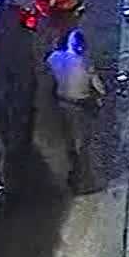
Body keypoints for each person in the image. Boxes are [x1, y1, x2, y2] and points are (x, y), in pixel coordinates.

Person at [48, 27, 105, 191]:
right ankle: (84, 181)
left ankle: (72, 176)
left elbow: (47, 66)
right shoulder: (85, 63)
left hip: (61, 104)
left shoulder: (55, 58)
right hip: (79, 106)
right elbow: (99, 88)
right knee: (83, 144)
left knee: (69, 142)